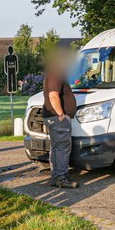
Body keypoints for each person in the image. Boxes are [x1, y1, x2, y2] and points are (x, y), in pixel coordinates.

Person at [42, 51, 79, 189]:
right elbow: (53, 95)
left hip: (52, 117)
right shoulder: (55, 74)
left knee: (56, 148)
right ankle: (61, 178)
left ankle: (56, 176)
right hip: (57, 118)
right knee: (62, 148)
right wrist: (61, 114)